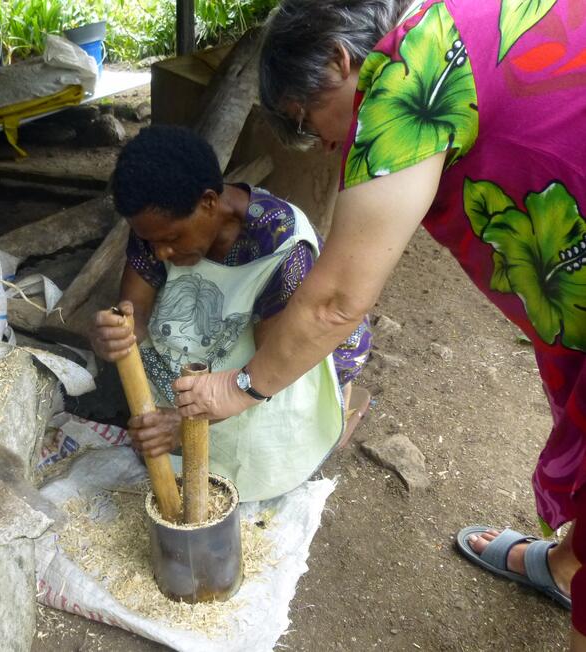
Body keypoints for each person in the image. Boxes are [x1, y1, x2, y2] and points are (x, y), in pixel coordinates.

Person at [172, 0, 586, 646]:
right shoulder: (454, 21)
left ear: (341, 59)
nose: (328, 145)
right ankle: (566, 566)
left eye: (307, 122)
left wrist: (239, 387)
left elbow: (335, 300)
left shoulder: (405, 70)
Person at [90, 124, 371, 502]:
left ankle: (339, 399)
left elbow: (266, 374)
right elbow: (134, 310)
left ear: (209, 203)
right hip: (212, 354)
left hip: (271, 363)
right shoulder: (157, 224)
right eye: (150, 241)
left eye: (171, 239)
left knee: (256, 451)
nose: (160, 253)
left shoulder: (280, 247)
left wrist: (186, 424)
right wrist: (119, 329)